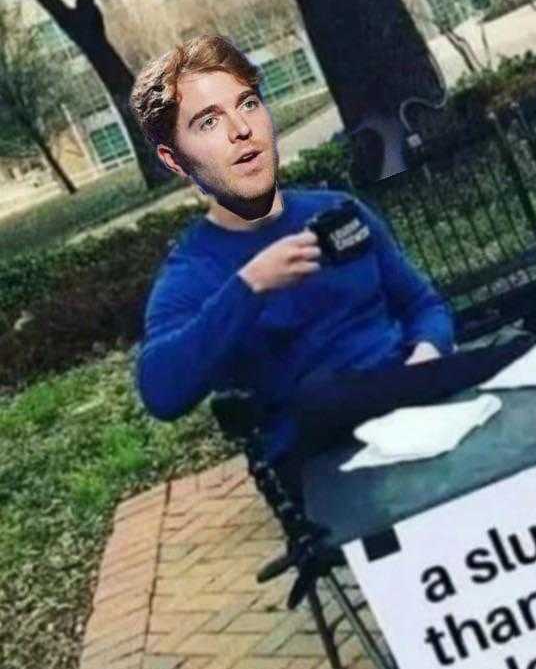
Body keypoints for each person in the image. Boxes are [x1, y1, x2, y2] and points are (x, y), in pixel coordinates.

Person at [130, 35, 454, 466]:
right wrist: (250, 286)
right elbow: (162, 393)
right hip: (329, 458)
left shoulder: (339, 212)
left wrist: (426, 357)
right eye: (208, 122)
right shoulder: (194, 273)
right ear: (175, 161)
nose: (240, 130)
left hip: (419, 402)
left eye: (247, 104)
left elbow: (422, 305)